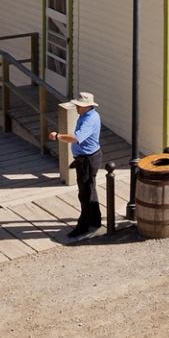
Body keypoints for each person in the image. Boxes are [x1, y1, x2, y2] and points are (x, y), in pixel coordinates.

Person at [47, 91, 105, 238]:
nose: (77, 107)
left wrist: (58, 136)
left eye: (79, 105)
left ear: (87, 106)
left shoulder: (88, 120)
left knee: (85, 193)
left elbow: (75, 138)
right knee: (90, 189)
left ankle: (83, 226)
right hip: (87, 157)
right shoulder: (89, 115)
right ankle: (95, 220)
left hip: (87, 159)